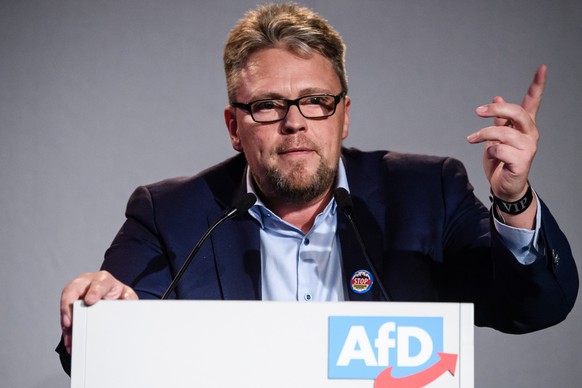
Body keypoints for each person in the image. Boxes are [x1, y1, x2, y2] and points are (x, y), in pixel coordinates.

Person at [57, 2, 578, 374]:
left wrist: (514, 198)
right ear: (233, 126)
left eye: (316, 100)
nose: (295, 123)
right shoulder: (171, 214)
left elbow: (533, 307)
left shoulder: (426, 193)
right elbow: (97, 351)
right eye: (267, 105)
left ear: (344, 116)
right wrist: (100, 318)